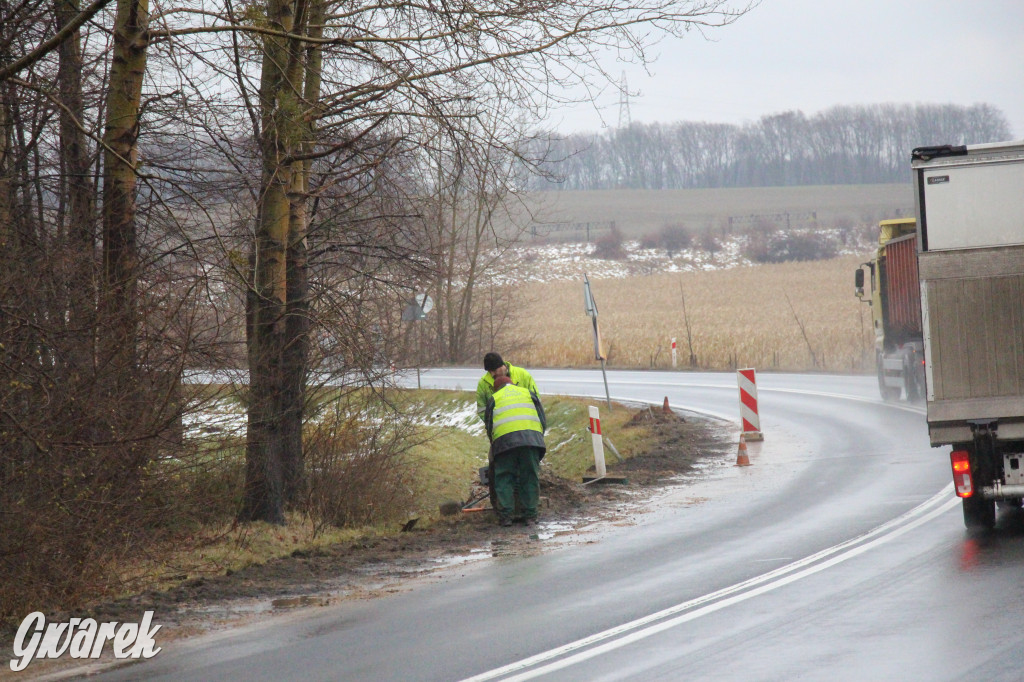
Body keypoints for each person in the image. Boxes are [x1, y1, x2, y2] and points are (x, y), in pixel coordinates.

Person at [484, 375, 546, 527]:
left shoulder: (494, 398)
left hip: (505, 442)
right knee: (530, 476)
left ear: (496, 388)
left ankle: (506, 517)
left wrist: (494, 445)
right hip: (531, 440)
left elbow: (489, 425)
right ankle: (530, 516)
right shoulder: (528, 393)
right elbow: (542, 420)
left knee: (504, 477)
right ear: (512, 384)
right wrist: (537, 439)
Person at [476, 352, 539, 424]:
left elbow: (536, 400)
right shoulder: (483, 383)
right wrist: (493, 425)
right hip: (501, 429)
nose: (492, 374)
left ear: (502, 367)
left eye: (494, 370)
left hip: (526, 425)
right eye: (489, 371)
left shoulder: (523, 375)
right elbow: (482, 410)